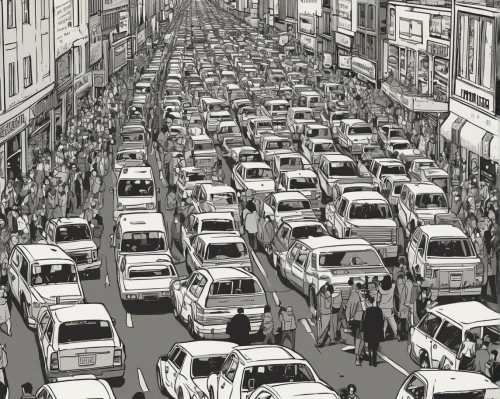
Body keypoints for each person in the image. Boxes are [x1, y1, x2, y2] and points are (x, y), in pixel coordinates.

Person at [377, 275, 400, 341]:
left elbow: (378, 299)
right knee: (393, 323)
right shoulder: (393, 287)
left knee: (384, 324)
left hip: (381, 308)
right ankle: (396, 335)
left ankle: (382, 336)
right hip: (389, 308)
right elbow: (397, 295)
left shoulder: (380, 288)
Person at [363, 295, 384, 367]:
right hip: (377, 330)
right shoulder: (379, 310)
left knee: (370, 346)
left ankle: (370, 361)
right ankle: (374, 362)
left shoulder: (367, 311)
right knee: (375, 347)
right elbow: (381, 322)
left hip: (369, 330)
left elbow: (365, 322)